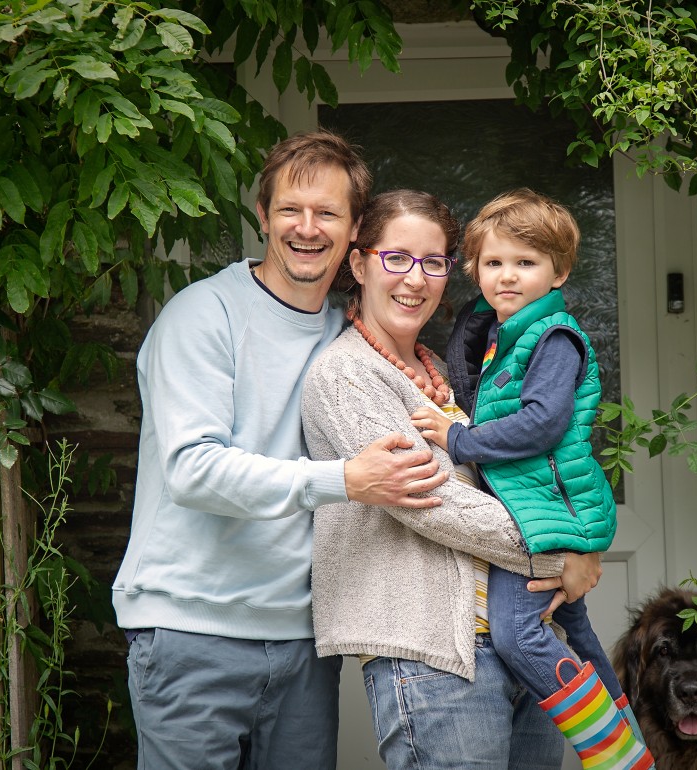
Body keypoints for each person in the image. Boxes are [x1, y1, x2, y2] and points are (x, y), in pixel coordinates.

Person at [111, 130, 450, 770]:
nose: (307, 228)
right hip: (192, 629)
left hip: (302, 639)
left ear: (355, 233)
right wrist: (345, 479)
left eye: (328, 213)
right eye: (291, 209)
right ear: (263, 215)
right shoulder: (202, 315)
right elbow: (193, 470)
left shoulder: (349, 337)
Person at [301, 188, 605, 770]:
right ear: (360, 264)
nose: (415, 279)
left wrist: (572, 540)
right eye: (396, 258)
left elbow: (536, 465)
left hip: (525, 638)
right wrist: (558, 551)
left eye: (433, 262)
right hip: (437, 657)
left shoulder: (445, 371)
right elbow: (431, 503)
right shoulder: (345, 376)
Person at [410, 188, 655, 770]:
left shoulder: (554, 338)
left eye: (526, 263)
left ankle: (617, 755)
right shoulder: (497, 335)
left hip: (552, 511)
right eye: (494, 263)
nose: (508, 277)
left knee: (517, 636)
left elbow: (542, 424)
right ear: (474, 269)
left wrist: (458, 440)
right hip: (537, 505)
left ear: (559, 271)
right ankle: (629, 729)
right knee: (574, 631)